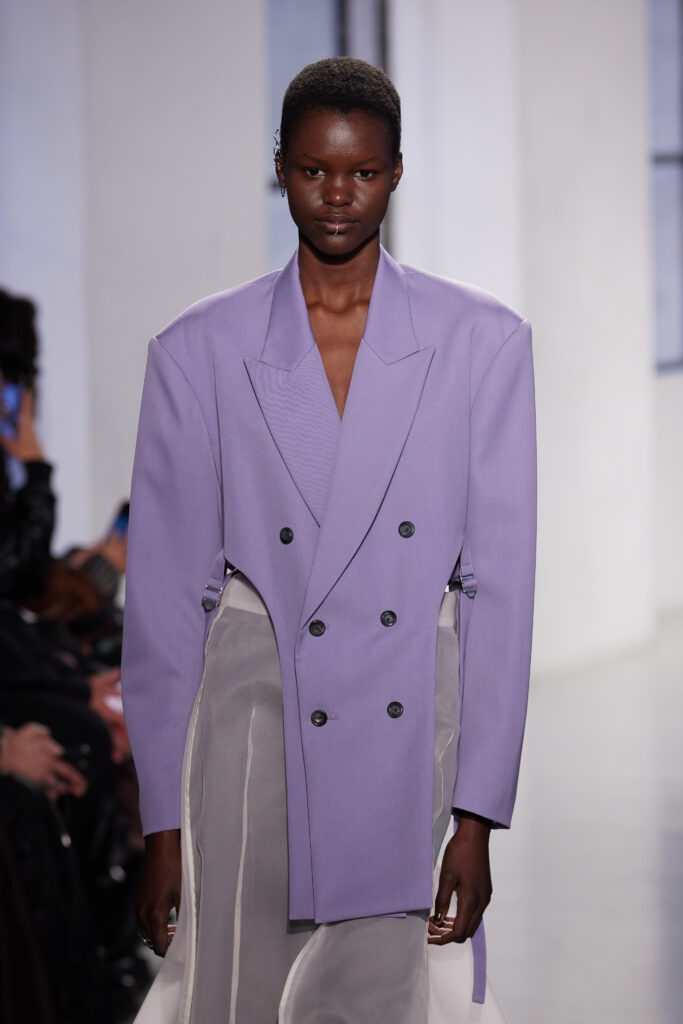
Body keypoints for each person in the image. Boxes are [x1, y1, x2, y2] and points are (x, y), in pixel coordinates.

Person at [122, 57, 536, 1023]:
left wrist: (478, 818)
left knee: (380, 996)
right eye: (314, 170)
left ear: (396, 173)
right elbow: (166, 602)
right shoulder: (198, 349)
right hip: (252, 724)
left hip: (406, 721)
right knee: (242, 995)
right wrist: (161, 824)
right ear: (280, 169)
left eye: (362, 172)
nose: (338, 195)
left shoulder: (481, 341)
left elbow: (500, 590)